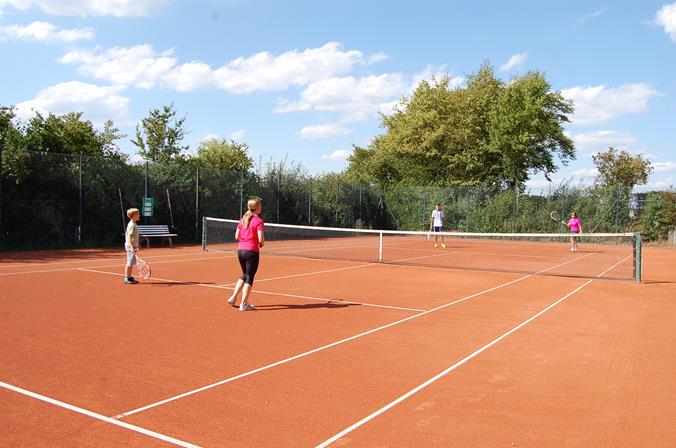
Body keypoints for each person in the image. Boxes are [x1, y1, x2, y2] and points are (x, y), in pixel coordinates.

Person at [227, 198, 265, 311]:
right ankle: (243, 304)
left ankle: (233, 298)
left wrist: (245, 240)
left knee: (245, 274)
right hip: (251, 251)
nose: (261, 207)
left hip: (240, 250)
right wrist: (260, 244)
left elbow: (237, 236)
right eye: (260, 205)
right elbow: (260, 239)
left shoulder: (243, 219)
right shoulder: (259, 221)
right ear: (257, 207)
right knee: (249, 277)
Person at [124, 208, 141, 284]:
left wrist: (137, 245)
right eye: (138, 214)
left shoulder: (133, 223)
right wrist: (131, 247)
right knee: (130, 262)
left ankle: (129, 277)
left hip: (132, 246)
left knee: (132, 262)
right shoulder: (132, 225)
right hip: (130, 246)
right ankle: (127, 278)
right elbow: (129, 237)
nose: (139, 215)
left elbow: (134, 237)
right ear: (134, 215)